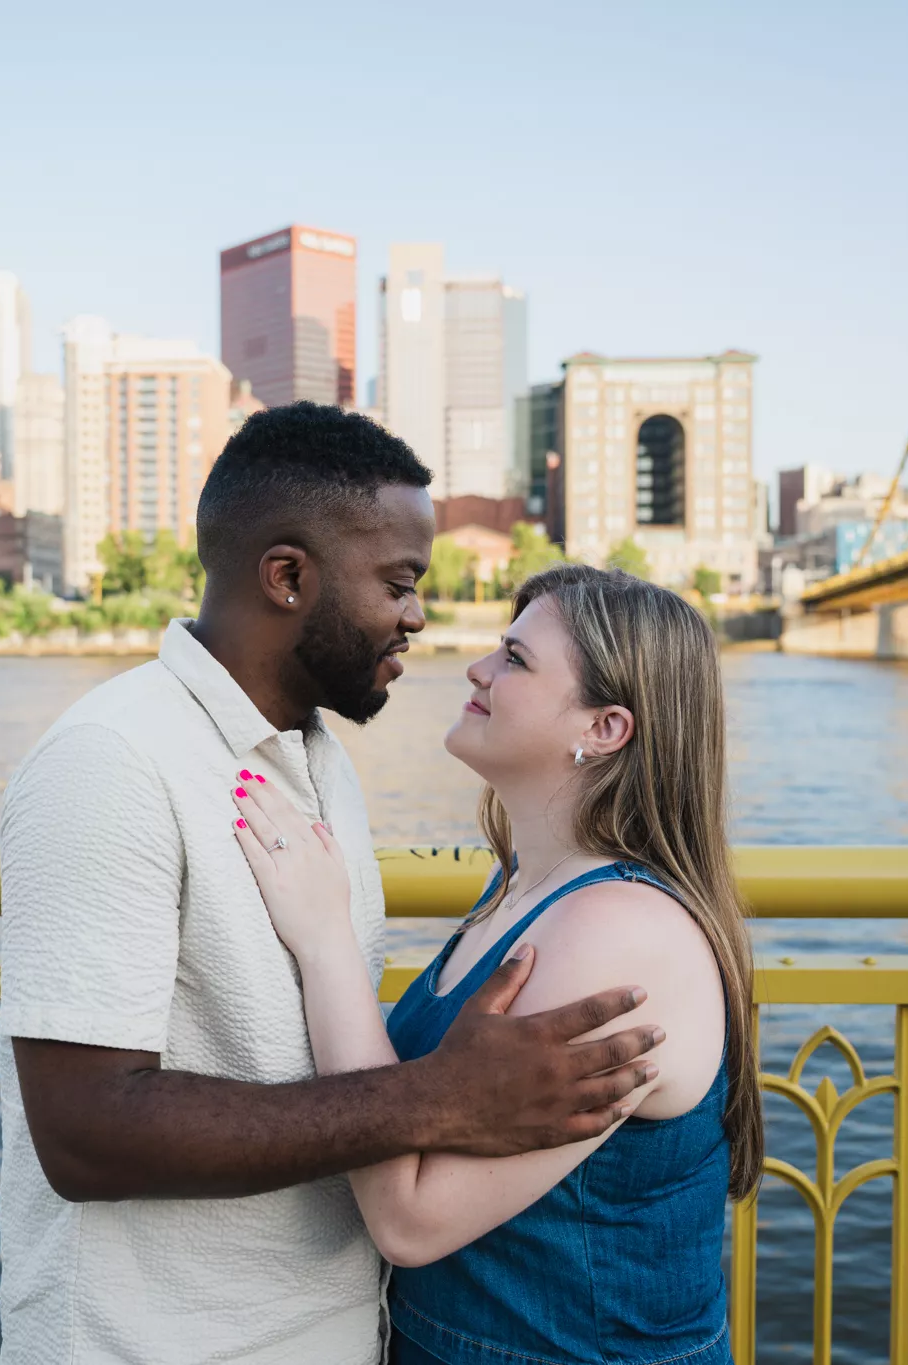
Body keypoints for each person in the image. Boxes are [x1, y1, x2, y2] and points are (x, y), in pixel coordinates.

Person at [0, 404, 663, 1365]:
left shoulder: (318, 760)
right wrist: (438, 1098)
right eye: (399, 582)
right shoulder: (111, 761)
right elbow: (86, 1131)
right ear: (288, 577)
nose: (420, 616)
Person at [229, 562, 763, 1365]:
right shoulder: (525, 885)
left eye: (514, 659)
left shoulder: (616, 931)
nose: (477, 669)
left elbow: (411, 1219)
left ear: (605, 728)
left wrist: (326, 938)